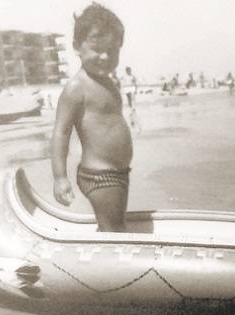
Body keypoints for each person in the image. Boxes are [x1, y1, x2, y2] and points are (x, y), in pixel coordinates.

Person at [51, 3, 132, 232]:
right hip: (100, 175)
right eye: (97, 49)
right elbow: (61, 132)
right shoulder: (77, 88)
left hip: (117, 173)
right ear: (77, 46)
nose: (105, 57)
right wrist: (60, 177)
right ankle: (113, 265)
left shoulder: (108, 81)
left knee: (113, 223)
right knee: (114, 229)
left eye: (113, 51)